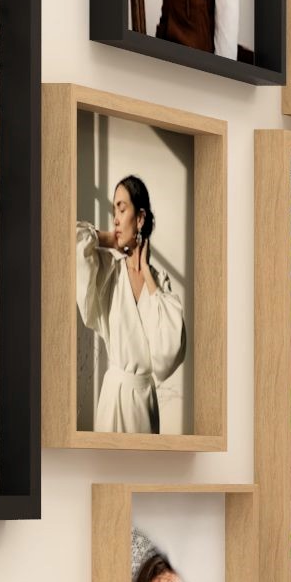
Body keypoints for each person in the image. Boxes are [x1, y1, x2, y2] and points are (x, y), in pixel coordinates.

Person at [74, 170, 188, 433]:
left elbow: (169, 355)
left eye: (122, 209)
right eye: (114, 209)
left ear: (140, 218)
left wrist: (148, 274)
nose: (115, 218)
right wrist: (106, 239)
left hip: (144, 407)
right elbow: (69, 241)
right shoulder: (109, 271)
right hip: (113, 400)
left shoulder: (160, 285)